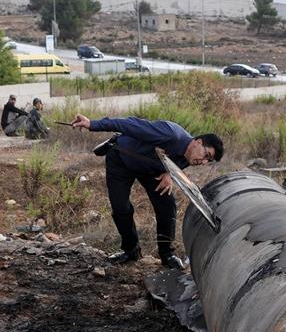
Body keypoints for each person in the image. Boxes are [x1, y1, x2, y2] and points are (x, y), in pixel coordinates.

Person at [71, 114, 223, 268]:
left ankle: (167, 255)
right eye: (206, 155)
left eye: (208, 161)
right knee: (120, 206)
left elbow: (178, 165)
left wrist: (169, 174)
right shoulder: (170, 134)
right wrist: (93, 124)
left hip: (151, 171)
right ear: (198, 142)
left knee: (167, 205)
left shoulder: (191, 156)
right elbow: (128, 124)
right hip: (121, 159)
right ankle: (131, 251)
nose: (203, 162)